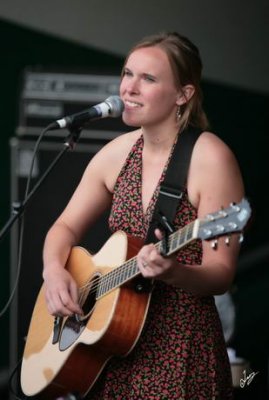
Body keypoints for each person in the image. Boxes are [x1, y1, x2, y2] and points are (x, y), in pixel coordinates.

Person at [42, 32, 244, 399]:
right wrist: (54, 271)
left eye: (148, 79)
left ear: (183, 94)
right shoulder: (116, 153)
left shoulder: (211, 158)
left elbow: (221, 273)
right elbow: (64, 226)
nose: (128, 88)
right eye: (127, 73)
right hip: (110, 350)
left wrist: (175, 271)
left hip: (181, 350)